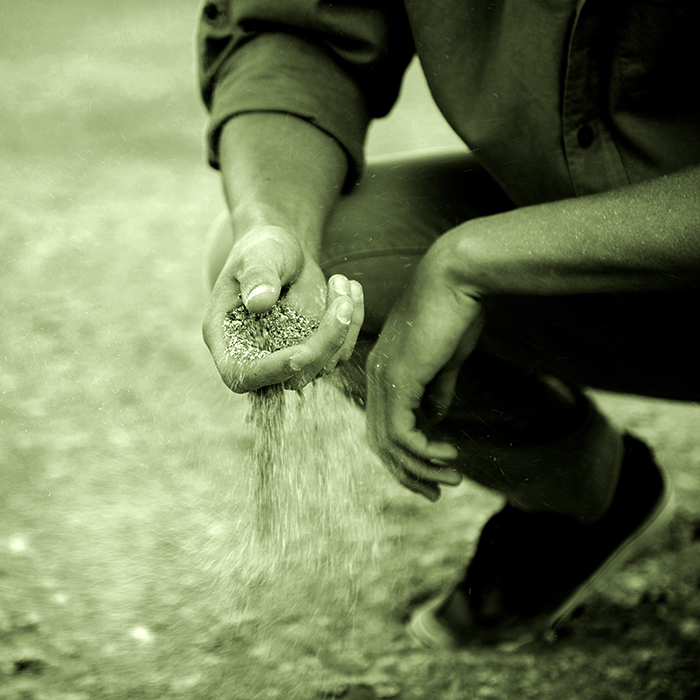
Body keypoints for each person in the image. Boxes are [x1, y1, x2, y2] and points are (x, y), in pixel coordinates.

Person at [196, 0, 700, 647]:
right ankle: (585, 497)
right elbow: (296, 32)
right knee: (309, 261)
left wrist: (470, 262)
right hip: (611, 261)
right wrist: (273, 220)